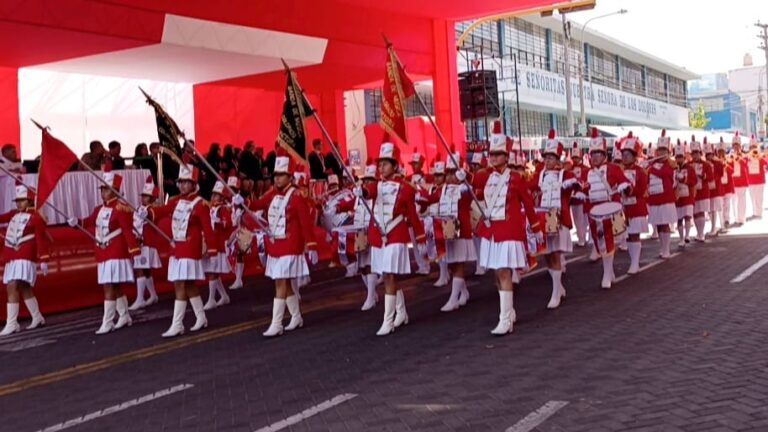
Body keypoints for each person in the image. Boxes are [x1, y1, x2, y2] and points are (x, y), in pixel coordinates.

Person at [234, 150, 318, 337]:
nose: (277, 179)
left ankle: (276, 323)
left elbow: (306, 223)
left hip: (290, 244)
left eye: (281, 175)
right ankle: (296, 317)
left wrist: (311, 246)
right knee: (284, 283)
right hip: (276, 246)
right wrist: (243, 201)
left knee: (280, 282)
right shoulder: (272, 194)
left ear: (289, 177)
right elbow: (257, 205)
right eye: (276, 175)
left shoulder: (297, 197)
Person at [475, 122, 541, 335]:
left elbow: (528, 203)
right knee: (496, 273)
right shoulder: (485, 176)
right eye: (491, 154)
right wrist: (463, 178)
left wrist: (536, 226)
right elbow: (471, 185)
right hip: (491, 232)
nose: (493, 158)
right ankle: (509, 310)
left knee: (504, 272)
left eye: (497, 154)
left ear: (506, 156)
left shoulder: (516, 178)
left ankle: (504, 320)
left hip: (509, 230)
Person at [355, 141, 426, 336]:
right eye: (380, 164)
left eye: (385, 163)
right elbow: (369, 191)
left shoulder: (406, 188)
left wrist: (420, 237)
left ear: (394, 166)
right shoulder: (376, 185)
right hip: (380, 236)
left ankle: (388, 320)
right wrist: (361, 192)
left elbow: (412, 214)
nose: (381, 167)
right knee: (389, 276)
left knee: (389, 275)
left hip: (396, 234)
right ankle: (401, 312)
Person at [147, 165, 217, 337]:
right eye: (181, 182)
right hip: (177, 246)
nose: (183, 186)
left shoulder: (201, 205)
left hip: (191, 246)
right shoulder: (176, 201)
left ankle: (177, 324)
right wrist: (147, 212)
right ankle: (201, 317)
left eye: (187, 182)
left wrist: (212, 249)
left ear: (194, 184)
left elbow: (208, 229)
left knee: (180, 283)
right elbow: (162, 210)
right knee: (188, 284)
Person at [67, 171, 139, 334]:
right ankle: (124, 315)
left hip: (116, 252)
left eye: (106, 189)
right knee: (115, 285)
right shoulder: (99, 209)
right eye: (101, 189)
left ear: (114, 190)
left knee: (109, 285)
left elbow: (127, 231)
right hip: (103, 252)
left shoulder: (121, 208)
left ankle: (107, 321)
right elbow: (89, 221)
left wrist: (134, 251)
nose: (102, 193)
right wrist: (76, 222)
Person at [422, 153, 479, 311]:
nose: (449, 177)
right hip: (447, 231)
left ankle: (453, 299)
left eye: (453, 173)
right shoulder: (443, 190)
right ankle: (464, 292)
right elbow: (431, 198)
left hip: (461, 231)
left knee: (458, 263)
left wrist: (466, 177)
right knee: (453, 264)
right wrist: (418, 195)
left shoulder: (466, 189)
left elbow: (474, 188)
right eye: (448, 173)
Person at [578, 128, 632, 289]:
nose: (594, 157)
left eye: (598, 154)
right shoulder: (585, 172)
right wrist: (580, 192)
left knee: (608, 242)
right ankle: (609, 271)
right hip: (594, 213)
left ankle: (606, 274)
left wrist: (624, 186)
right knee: (600, 243)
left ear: (604, 155)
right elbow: (583, 188)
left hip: (610, 210)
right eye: (592, 154)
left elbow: (625, 183)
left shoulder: (614, 169)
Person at [531, 130, 579, 309]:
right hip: (544, 219)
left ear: (558, 160)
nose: (547, 161)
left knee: (556, 254)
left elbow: (577, 183)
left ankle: (555, 292)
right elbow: (529, 187)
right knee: (548, 255)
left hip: (559, 219)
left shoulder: (565, 175)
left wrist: (568, 184)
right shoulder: (539, 175)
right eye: (546, 158)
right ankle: (558, 288)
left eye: (551, 158)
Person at [0, 184, 49, 336]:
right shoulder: (13, 214)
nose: (19, 203)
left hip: (25, 255)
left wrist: (43, 259)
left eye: (22, 201)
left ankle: (12, 323)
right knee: (23, 287)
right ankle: (37, 316)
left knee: (12, 286)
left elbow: (41, 239)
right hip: (12, 256)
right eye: (17, 201)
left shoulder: (36, 218)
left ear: (29, 201)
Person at [335, 160, 378, 310]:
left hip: (373, 234)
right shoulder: (360, 196)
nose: (367, 183)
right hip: (360, 232)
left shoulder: (377, 196)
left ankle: (371, 296)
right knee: (363, 267)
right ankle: (371, 293)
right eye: (365, 180)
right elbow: (350, 204)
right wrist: (338, 207)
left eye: (370, 180)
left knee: (371, 265)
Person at [129, 177, 162, 310]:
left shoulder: (154, 209)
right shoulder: (138, 208)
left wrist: (147, 213)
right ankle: (153, 295)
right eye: (143, 196)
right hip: (138, 241)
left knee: (140, 269)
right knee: (146, 270)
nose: (143, 198)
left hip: (147, 242)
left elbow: (152, 219)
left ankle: (140, 298)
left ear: (153, 198)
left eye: (147, 196)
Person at [618, 134, 649, 274]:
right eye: (623, 154)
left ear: (634, 156)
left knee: (635, 234)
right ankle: (633, 260)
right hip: (623, 208)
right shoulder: (618, 171)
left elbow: (642, 188)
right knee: (628, 235)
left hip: (636, 206)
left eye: (628, 155)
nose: (625, 157)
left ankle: (635, 263)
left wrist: (629, 189)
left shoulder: (640, 171)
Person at [645, 129, 677, 259]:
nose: (662, 152)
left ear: (668, 152)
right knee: (658, 224)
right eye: (660, 150)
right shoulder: (653, 164)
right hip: (654, 197)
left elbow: (665, 174)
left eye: (664, 150)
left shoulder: (671, 164)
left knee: (665, 224)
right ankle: (662, 247)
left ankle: (667, 249)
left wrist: (651, 168)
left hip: (666, 197)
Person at [203, 181, 232, 310]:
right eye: (213, 194)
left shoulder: (223, 208)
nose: (214, 197)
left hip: (219, 244)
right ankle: (224, 296)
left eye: (217, 195)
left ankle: (211, 299)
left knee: (213, 272)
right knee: (213, 271)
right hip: (211, 243)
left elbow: (227, 223)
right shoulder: (210, 208)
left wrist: (218, 222)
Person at [689, 136, 713, 242]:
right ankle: (698, 233)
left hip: (703, 190)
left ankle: (701, 233)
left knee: (701, 212)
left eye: (697, 153)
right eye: (693, 153)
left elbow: (711, 177)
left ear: (700, 154)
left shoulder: (706, 164)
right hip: (693, 192)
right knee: (695, 212)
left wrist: (703, 176)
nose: (695, 155)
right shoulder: (688, 165)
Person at [673, 142, 697, 247]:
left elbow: (694, 181)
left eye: (680, 157)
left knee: (687, 216)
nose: (678, 160)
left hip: (688, 196)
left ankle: (687, 235)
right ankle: (681, 238)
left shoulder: (690, 168)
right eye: (677, 157)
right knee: (679, 219)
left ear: (684, 157)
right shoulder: (673, 169)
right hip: (678, 197)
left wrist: (684, 179)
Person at [568, 143, 589, 247]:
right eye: (574, 157)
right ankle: (581, 238)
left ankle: (582, 239)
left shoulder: (585, 168)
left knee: (582, 219)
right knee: (577, 220)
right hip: (573, 198)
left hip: (581, 197)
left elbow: (585, 181)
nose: (575, 159)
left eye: (577, 157)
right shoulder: (569, 168)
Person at [730, 133, 749, 226]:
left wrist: (739, 158)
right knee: (734, 201)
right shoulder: (730, 156)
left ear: (740, 146)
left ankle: (742, 218)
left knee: (742, 200)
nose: (736, 147)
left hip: (742, 181)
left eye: (737, 145)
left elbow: (746, 166)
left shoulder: (744, 155)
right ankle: (736, 217)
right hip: (733, 181)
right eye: (734, 146)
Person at [746, 134, 766, 219]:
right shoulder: (747, 157)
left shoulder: (760, 157)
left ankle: (759, 212)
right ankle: (755, 212)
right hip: (750, 180)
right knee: (752, 197)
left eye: (754, 147)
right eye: (751, 147)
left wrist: (760, 155)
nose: (753, 149)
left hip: (760, 180)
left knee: (759, 197)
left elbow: (766, 163)